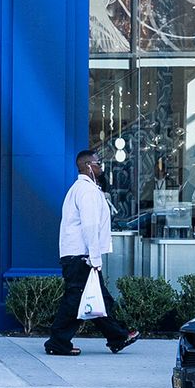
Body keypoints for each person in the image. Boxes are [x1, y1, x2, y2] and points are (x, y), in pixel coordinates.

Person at [45, 148, 138, 356]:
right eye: (97, 163)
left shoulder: (84, 189)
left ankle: (118, 337)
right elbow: (90, 226)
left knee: (99, 299)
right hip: (81, 256)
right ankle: (57, 342)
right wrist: (95, 258)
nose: (100, 166)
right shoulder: (86, 191)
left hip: (79, 255)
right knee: (75, 300)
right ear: (88, 166)